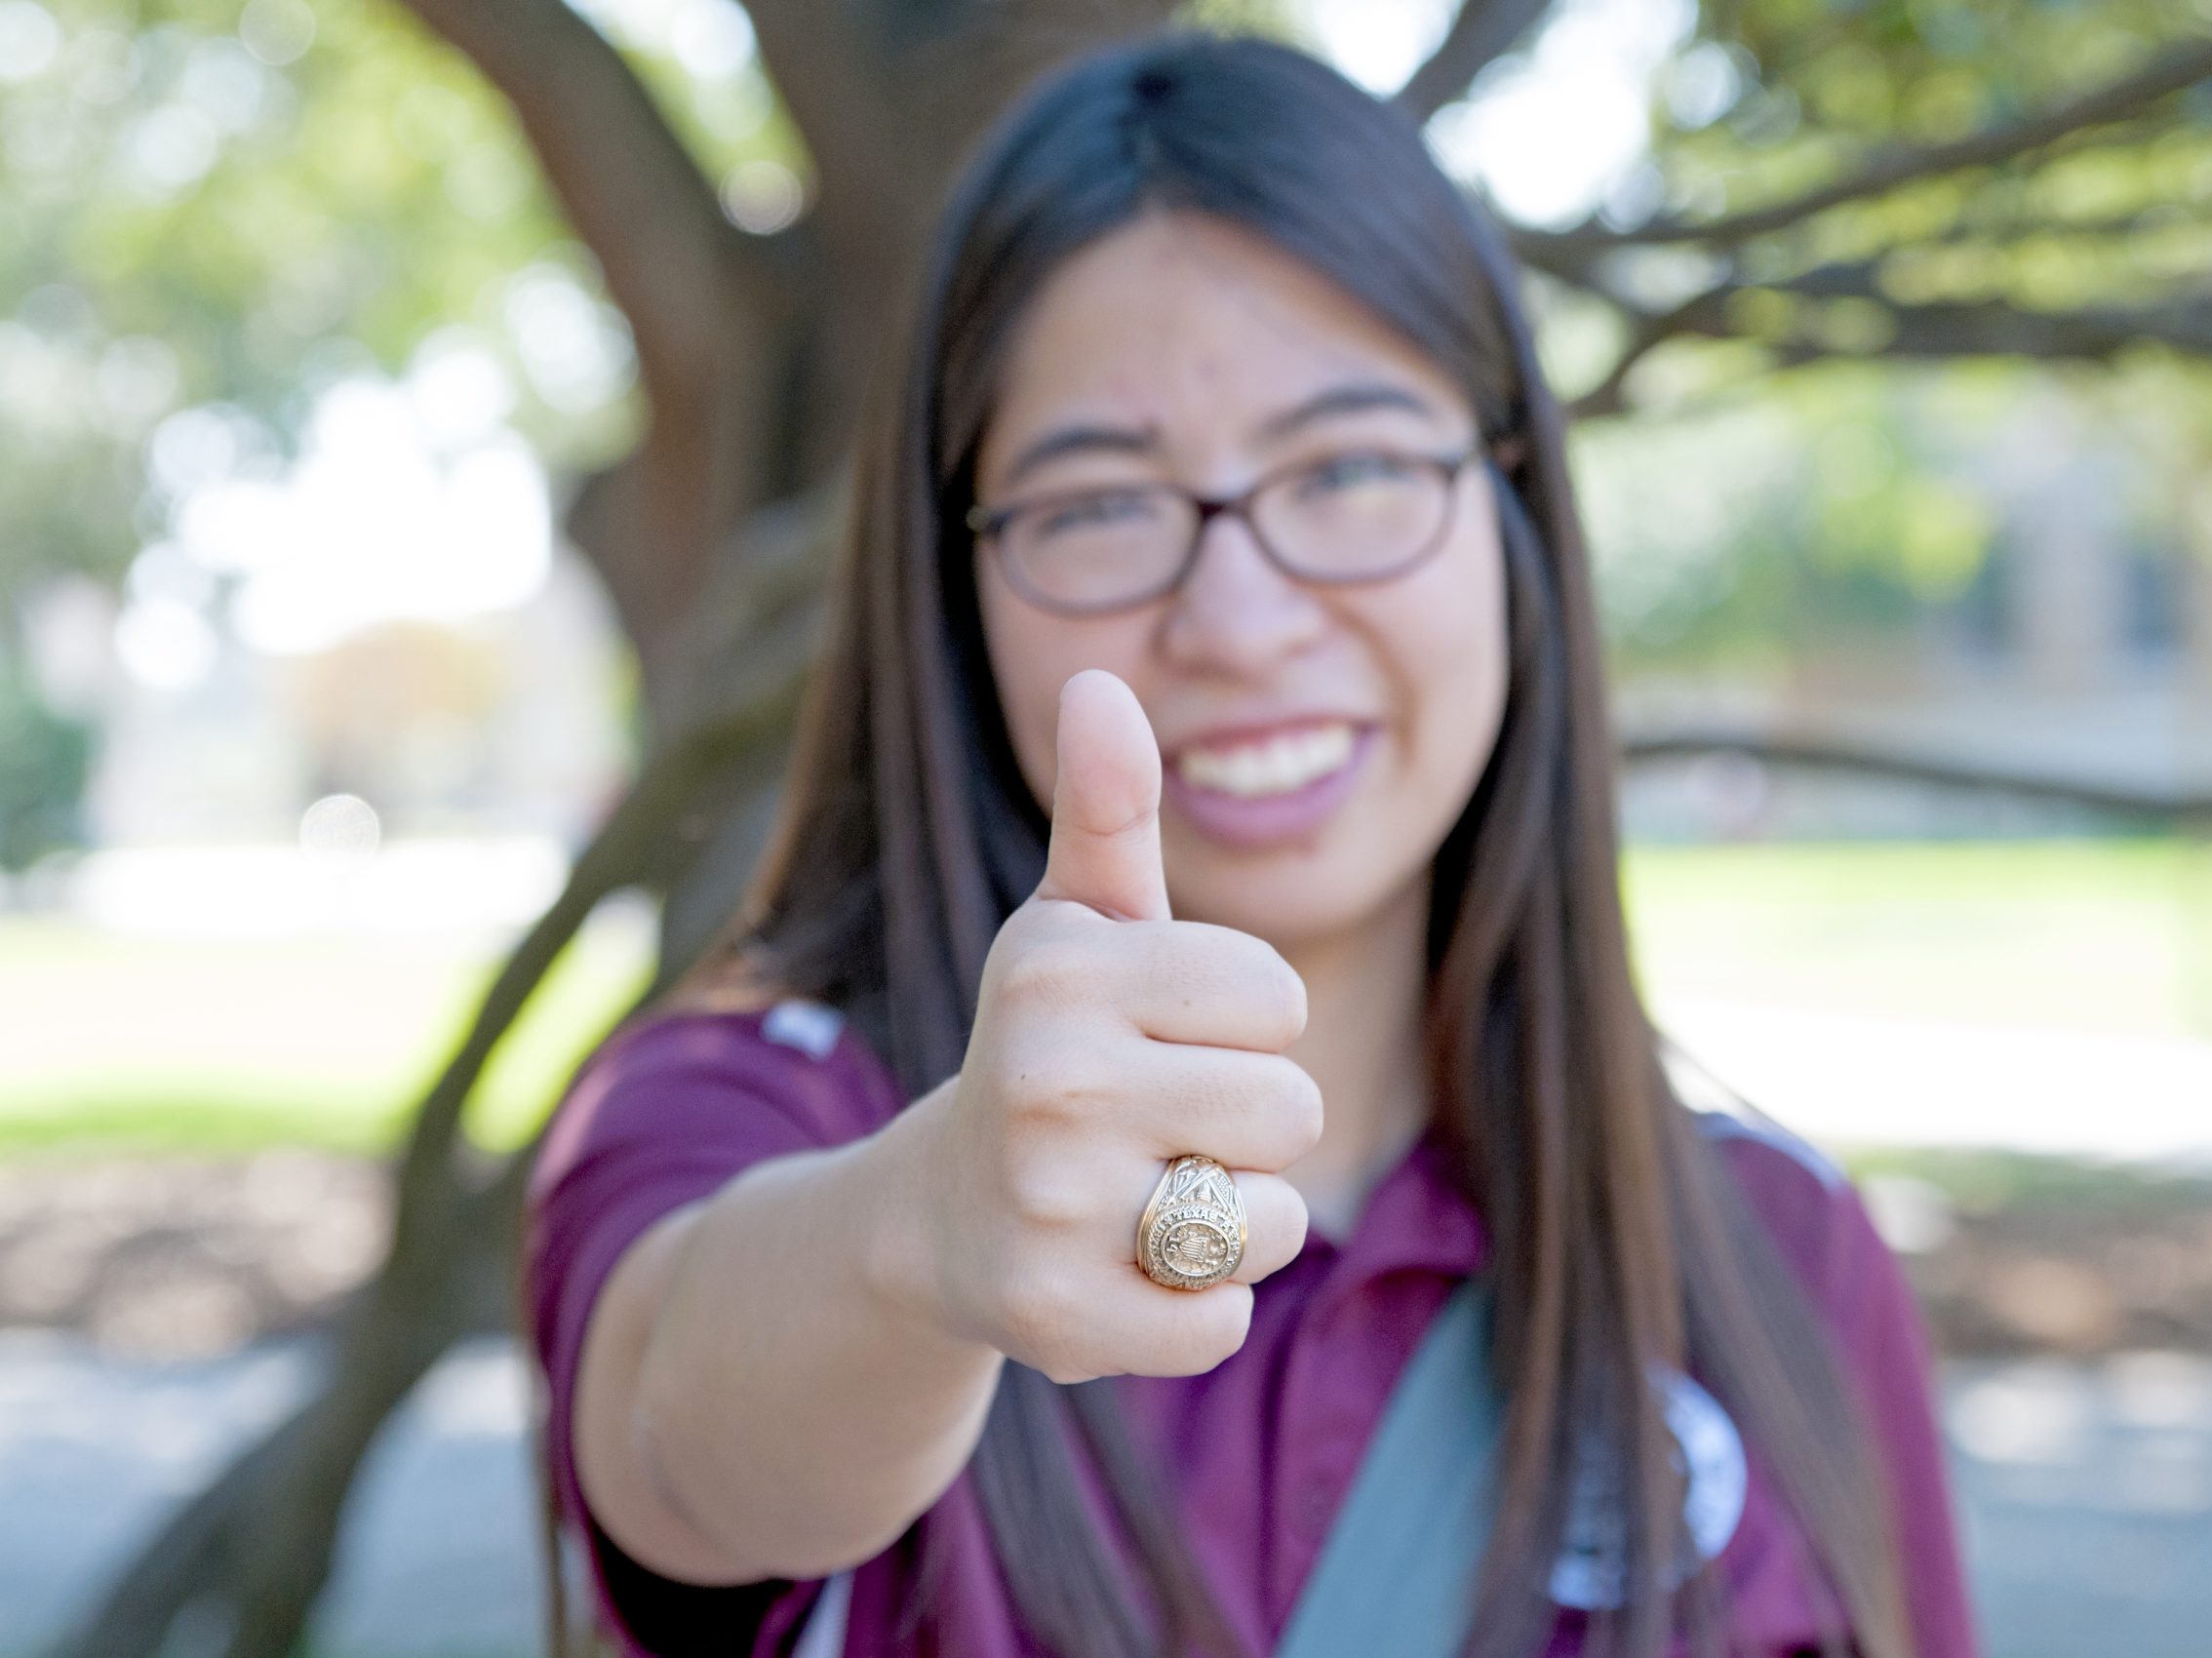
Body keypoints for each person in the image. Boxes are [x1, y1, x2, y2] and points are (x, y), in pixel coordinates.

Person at [523, 29, 1978, 1658]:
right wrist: (924, 1235)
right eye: (1098, 504)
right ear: (952, 588)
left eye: (1350, 469)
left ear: (1513, 507)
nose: (1238, 616)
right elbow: (677, 1434)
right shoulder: (751, 1120)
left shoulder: (1777, 1256)